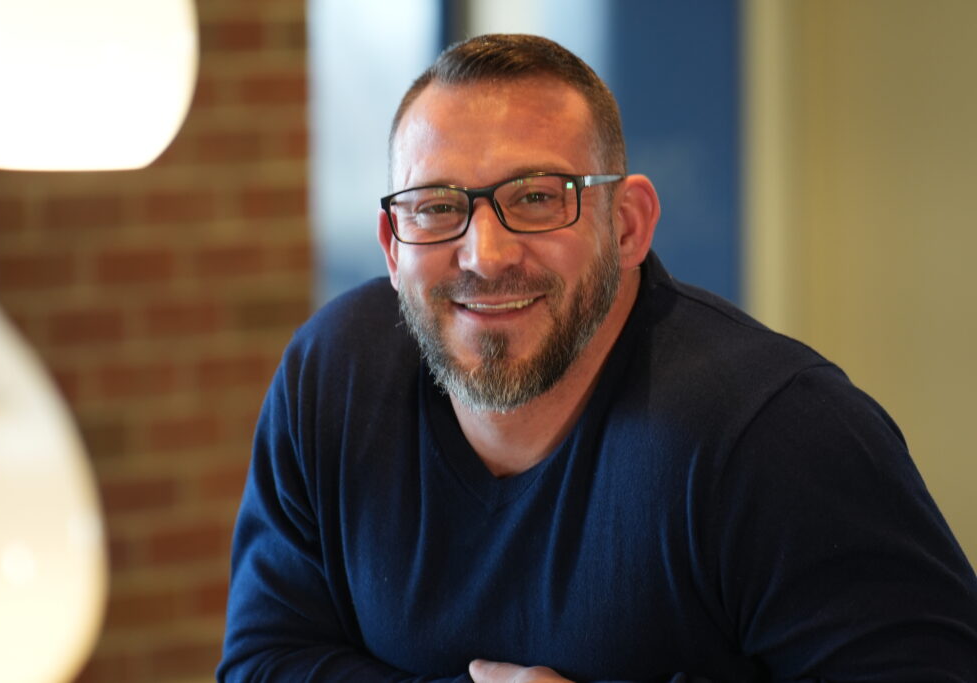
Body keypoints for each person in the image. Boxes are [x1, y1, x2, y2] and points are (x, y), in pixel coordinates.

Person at [217, 34, 977, 682]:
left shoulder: (779, 435)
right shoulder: (331, 379)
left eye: (539, 197)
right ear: (392, 245)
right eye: (438, 207)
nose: (484, 255)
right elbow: (262, 659)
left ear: (628, 225)